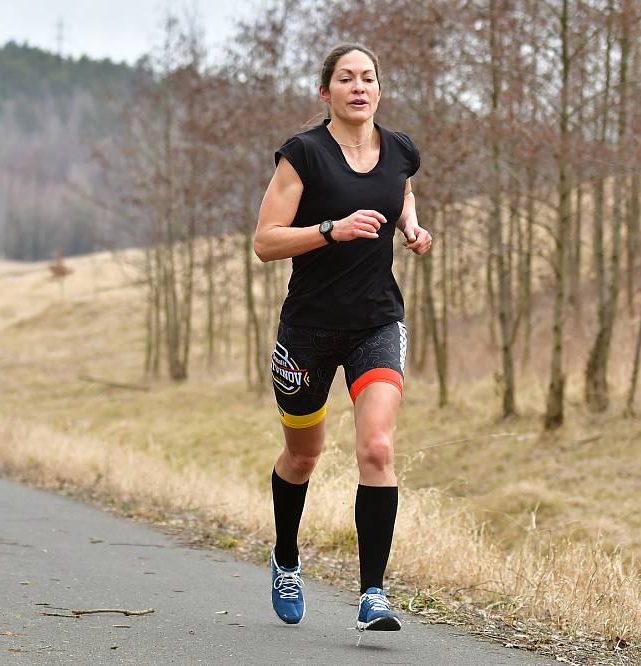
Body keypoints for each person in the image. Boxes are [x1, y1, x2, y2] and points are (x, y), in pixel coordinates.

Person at [253, 42, 431, 631]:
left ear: (380, 89)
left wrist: (409, 223)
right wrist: (331, 230)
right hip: (308, 330)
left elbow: (399, 186)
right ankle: (285, 557)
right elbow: (266, 241)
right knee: (303, 456)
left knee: (377, 448)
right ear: (324, 91)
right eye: (347, 79)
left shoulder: (400, 148)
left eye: (369, 79)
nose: (359, 87)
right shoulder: (304, 155)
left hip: (377, 321)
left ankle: (373, 594)